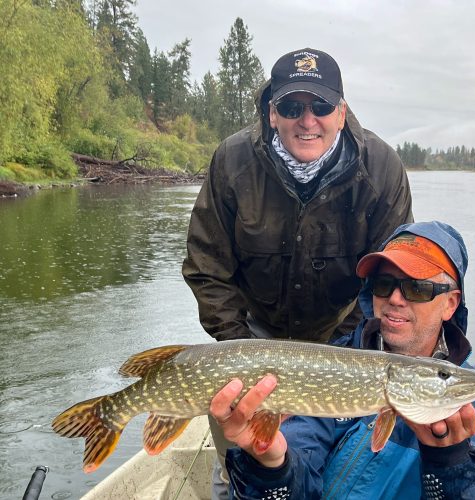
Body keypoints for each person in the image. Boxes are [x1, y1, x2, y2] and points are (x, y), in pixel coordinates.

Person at [182, 47, 413, 496]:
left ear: (341, 111)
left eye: (321, 106)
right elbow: (207, 267)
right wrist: (243, 353)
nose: (307, 120)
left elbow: (387, 280)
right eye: (291, 107)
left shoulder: (382, 170)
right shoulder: (232, 162)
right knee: (241, 457)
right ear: (272, 114)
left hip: (343, 338)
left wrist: (350, 347)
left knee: (328, 451)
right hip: (249, 333)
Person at [210, 221, 475, 499]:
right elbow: (292, 490)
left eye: (417, 287)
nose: (395, 299)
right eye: (384, 285)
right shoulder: (328, 370)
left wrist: (452, 464)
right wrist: (272, 464)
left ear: (450, 304)